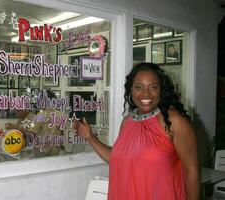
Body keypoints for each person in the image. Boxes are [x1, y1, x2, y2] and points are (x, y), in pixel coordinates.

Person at [73, 62, 200, 200]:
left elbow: (192, 172)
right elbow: (118, 159)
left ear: (161, 90)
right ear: (131, 90)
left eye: (153, 87)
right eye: (139, 87)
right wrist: (90, 137)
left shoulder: (174, 121)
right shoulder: (127, 122)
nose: (146, 93)